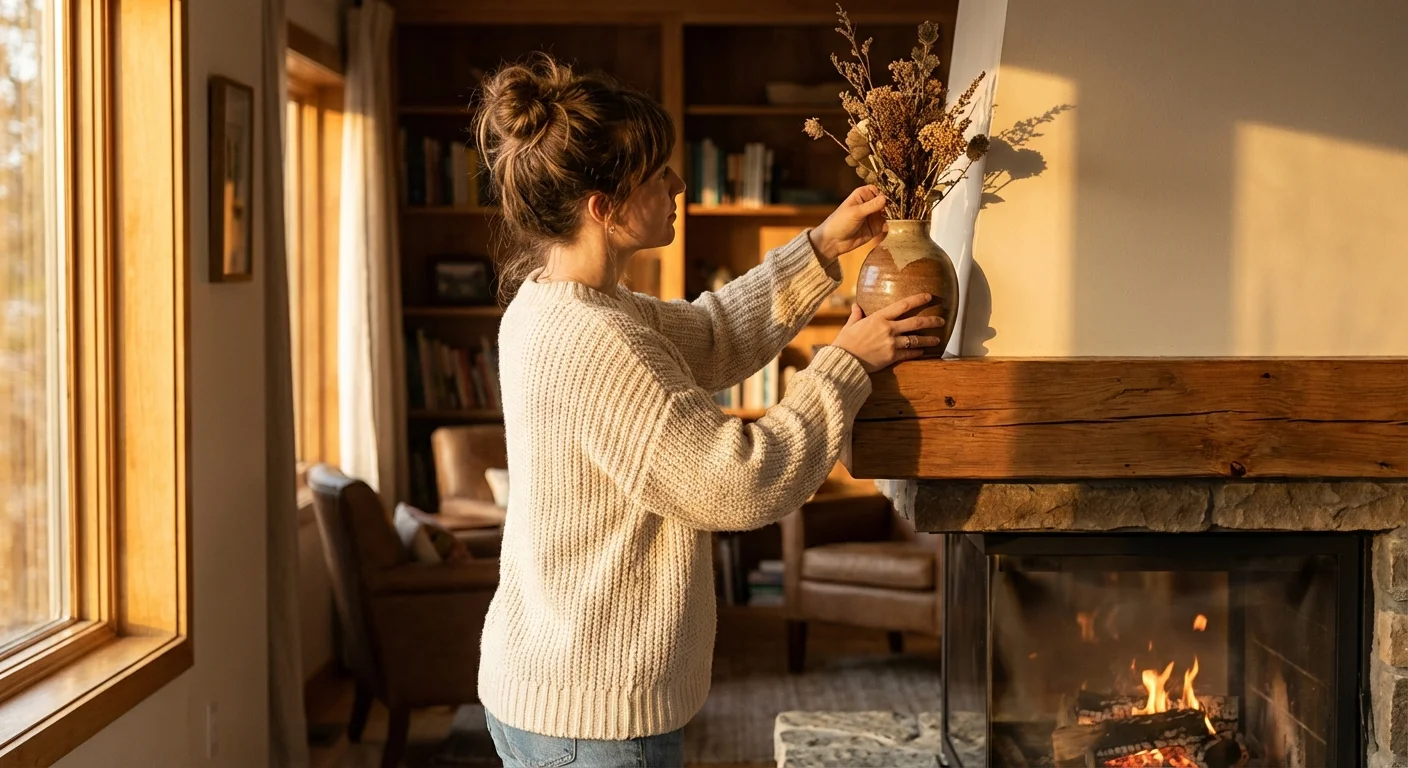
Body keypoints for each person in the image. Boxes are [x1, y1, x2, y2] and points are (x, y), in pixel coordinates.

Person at [471, 53, 945, 768]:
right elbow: (740, 483)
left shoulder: (556, 306)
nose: (678, 185)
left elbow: (715, 335)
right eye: (658, 175)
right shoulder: (600, 340)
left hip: (544, 684)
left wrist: (822, 247)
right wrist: (848, 364)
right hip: (595, 716)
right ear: (604, 207)